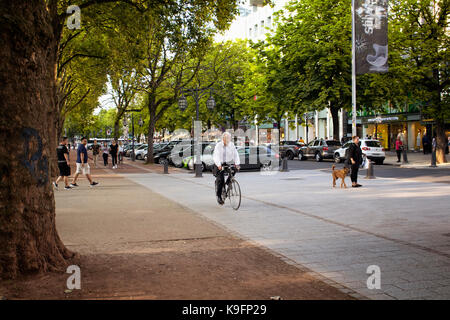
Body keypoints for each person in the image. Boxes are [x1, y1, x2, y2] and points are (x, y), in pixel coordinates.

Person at [212, 132, 240, 205]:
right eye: (226, 138)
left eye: (229, 138)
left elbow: (236, 154)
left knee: (234, 169)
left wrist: (237, 163)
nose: (228, 140)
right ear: (223, 139)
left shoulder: (231, 145)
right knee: (220, 180)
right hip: (219, 163)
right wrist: (218, 165)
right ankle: (219, 196)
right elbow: (216, 156)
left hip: (227, 162)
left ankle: (228, 181)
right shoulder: (218, 145)